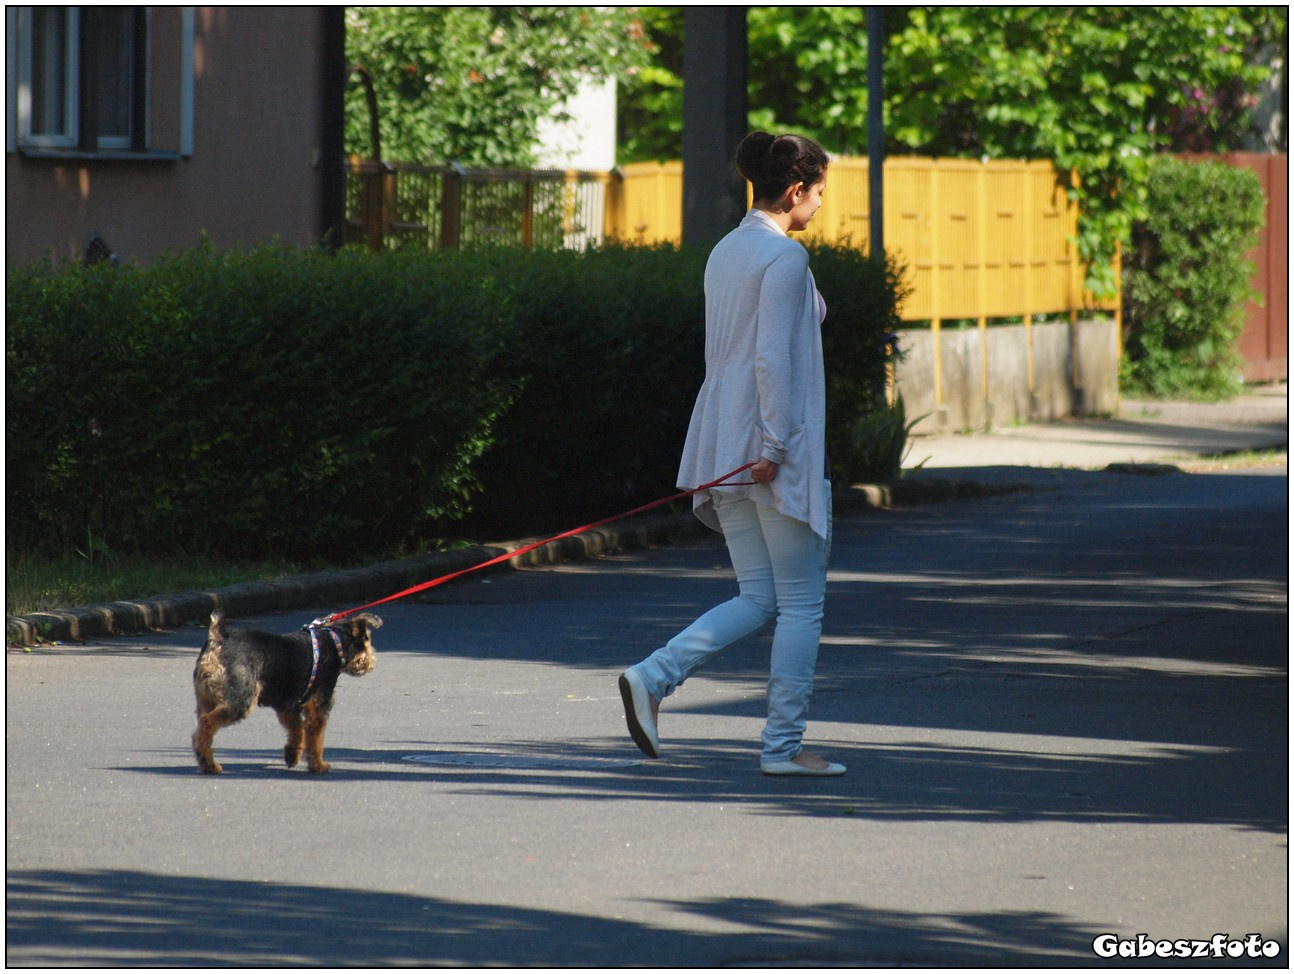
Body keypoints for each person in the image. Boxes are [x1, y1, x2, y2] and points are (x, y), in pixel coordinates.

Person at [618, 130, 844, 777]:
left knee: (759, 596)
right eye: (820, 191)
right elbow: (772, 358)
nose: (822, 204)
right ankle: (783, 748)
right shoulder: (784, 259)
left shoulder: (729, 250)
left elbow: (785, 326)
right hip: (768, 453)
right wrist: (774, 445)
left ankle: (652, 677)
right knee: (801, 604)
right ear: (796, 190)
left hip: (723, 442)